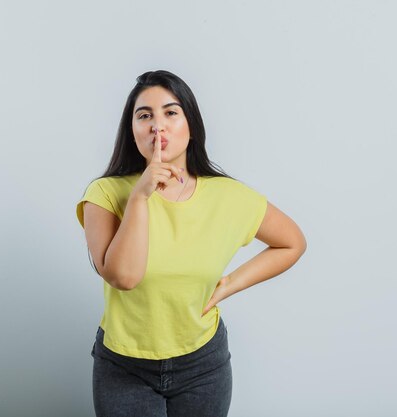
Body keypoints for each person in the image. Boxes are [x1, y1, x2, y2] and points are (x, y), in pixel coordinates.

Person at [75, 70, 307, 417]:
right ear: (132, 130)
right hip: (125, 369)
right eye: (144, 116)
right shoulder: (105, 194)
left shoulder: (229, 196)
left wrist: (229, 284)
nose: (158, 126)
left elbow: (292, 243)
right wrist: (140, 197)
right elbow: (124, 277)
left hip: (203, 365)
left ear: (191, 126)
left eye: (171, 112)